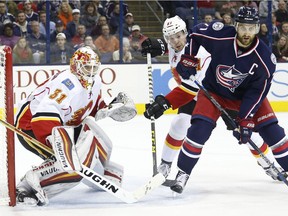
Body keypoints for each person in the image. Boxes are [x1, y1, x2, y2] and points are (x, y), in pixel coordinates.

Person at [142, 8, 288, 193]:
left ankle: (267, 164)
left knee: (251, 133)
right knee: (181, 124)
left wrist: (166, 102)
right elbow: (182, 43)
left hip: (218, 93)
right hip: (208, 91)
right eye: (169, 38)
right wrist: (162, 46)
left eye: (177, 36)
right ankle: (168, 166)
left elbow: (192, 87)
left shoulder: (211, 50)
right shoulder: (180, 42)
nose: (174, 41)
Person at [14, 46, 136, 206]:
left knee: (98, 141)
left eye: (94, 68)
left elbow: (92, 102)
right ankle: (30, 182)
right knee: (70, 167)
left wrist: (107, 108)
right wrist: (57, 144)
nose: (91, 72)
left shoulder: (95, 81)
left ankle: (101, 172)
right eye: (87, 67)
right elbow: (43, 114)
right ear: (76, 66)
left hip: (62, 125)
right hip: (30, 127)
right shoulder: (67, 84)